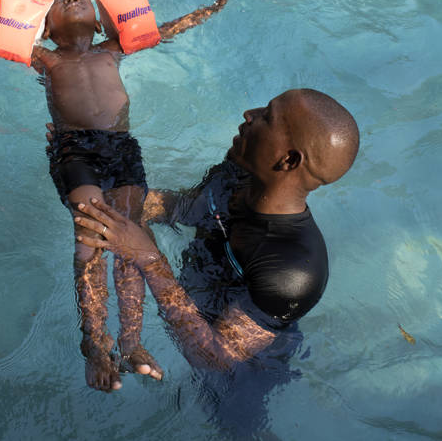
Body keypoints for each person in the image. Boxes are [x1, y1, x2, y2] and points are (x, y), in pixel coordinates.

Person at [0, 0, 234, 392]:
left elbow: (169, 28)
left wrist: (208, 10)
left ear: (96, 17)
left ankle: (131, 343)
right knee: (90, 233)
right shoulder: (45, 57)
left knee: (130, 236)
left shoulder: (114, 49)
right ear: (46, 27)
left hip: (122, 150)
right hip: (75, 149)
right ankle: (94, 342)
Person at [72, 88, 358, 432]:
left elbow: (216, 359)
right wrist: (113, 204)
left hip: (248, 367)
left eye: (267, 116)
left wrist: (147, 257)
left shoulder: (293, 271)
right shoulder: (236, 172)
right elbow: (186, 208)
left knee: (231, 423)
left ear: (289, 160)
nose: (248, 114)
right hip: (198, 300)